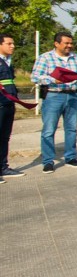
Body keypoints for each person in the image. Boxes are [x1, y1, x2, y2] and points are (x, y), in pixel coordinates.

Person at [31, 31, 77, 172]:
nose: (69, 46)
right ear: (56, 43)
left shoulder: (75, 58)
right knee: (49, 130)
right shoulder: (45, 58)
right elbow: (35, 77)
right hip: (54, 96)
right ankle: (48, 161)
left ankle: (70, 157)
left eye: (71, 43)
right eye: (66, 43)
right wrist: (52, 79)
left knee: (71, 129)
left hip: (73, 96)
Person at [0, 33, 25, 182]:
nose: (13, 46)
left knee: (4, 137)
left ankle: (3, 167)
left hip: (9, 103)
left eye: (13, 43)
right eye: (9, 43)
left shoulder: (8, 62)